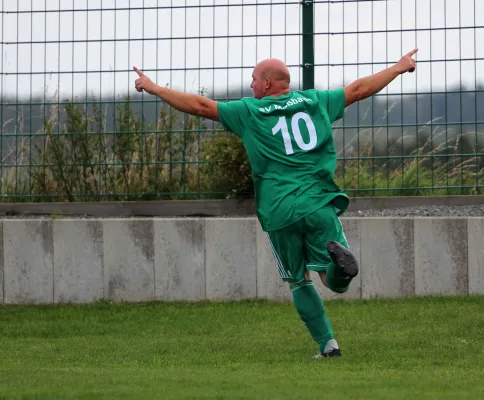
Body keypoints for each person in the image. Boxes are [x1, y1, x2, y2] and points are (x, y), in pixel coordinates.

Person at [133, 48, 418, 358]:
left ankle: (328, 346)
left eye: (255, 79)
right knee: (335, 283)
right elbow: (360, 89)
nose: (251, 85)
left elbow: (201, 106)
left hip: (279, 211)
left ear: (267, 84)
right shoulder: (315, 101)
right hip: (318, 203)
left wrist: (155, 87)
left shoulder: (250, 112)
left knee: (298, 280)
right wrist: (399, 67)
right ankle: (342, 268)